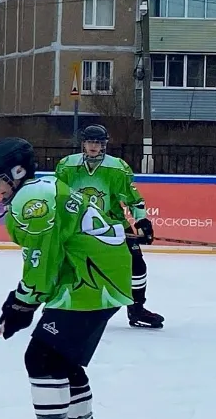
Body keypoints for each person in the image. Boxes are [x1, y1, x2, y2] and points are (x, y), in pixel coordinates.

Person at [0, 137, 132, 419]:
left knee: (42, 358)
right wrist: (24, 297)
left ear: (17, 173)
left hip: (90, 280)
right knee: (61, 361)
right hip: (97, 277)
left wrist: (24, 301)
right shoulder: (41, 189)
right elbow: (54, 253)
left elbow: (42, 258)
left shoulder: (33, 201)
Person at [54, 124, 164, 329]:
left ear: (104, 144)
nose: (94, 146)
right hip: (77, 226)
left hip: (113, 225)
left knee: (137, 264)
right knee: (65, 264)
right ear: (83, 143)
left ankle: (137, 309)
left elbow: (133, 199)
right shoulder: (66, 166)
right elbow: (58, 196)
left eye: (98, 142)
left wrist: (142, 221)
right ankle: (58, 306)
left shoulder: (117, 168)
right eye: (90, 142)